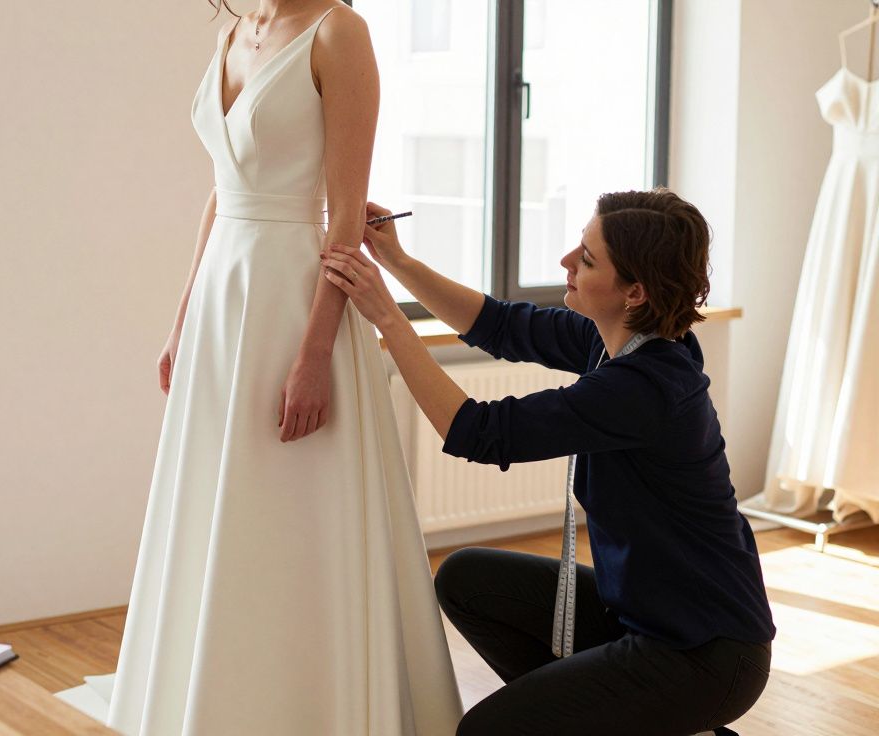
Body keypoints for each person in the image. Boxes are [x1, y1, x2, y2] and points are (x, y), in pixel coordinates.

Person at [101, 1, 463, 734]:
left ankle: (310, 701)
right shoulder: (237, 30)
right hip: (222, 305)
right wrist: (181, 322)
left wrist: (314, 355)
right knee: (216, 503)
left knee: (295, 514)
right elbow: (221, 191)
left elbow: (343, 217)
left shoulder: (339, 32)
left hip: (296, 303)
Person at [322, 189, 776, 736]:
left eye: (586, 259)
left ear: (634, 292)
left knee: (486, 731)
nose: (566, 262)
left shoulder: (647, 388)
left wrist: (390, 321)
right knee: (468, 579)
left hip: (703, 651)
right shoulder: (618, 339)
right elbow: (500, 325)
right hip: (639, 616)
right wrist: (398, 261)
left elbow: (479, 432)